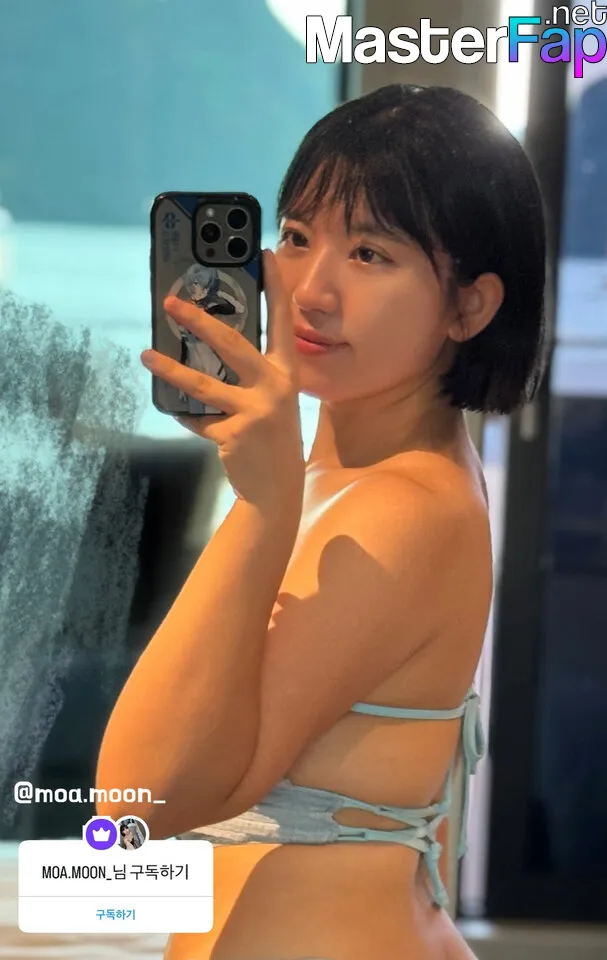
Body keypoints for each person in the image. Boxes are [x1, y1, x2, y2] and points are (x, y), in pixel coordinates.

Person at [96, 84, 546, 959]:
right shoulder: (357, 476)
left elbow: (137, 801)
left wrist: (259, 504)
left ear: (470, 306)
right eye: (298, 237)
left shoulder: (400, 510)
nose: (310, 291)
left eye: (370, 253)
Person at [175, 263, 246, 414]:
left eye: (198, 284)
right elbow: (184, 347)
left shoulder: (211, 308)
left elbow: (239, 308)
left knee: (217, 409)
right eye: (192, 283)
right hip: (193, 371)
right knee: (196, 410)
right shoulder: (185, 311)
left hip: (212, 369)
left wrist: (219, 294)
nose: (194, 287)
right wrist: (181, 385)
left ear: (206, 287)